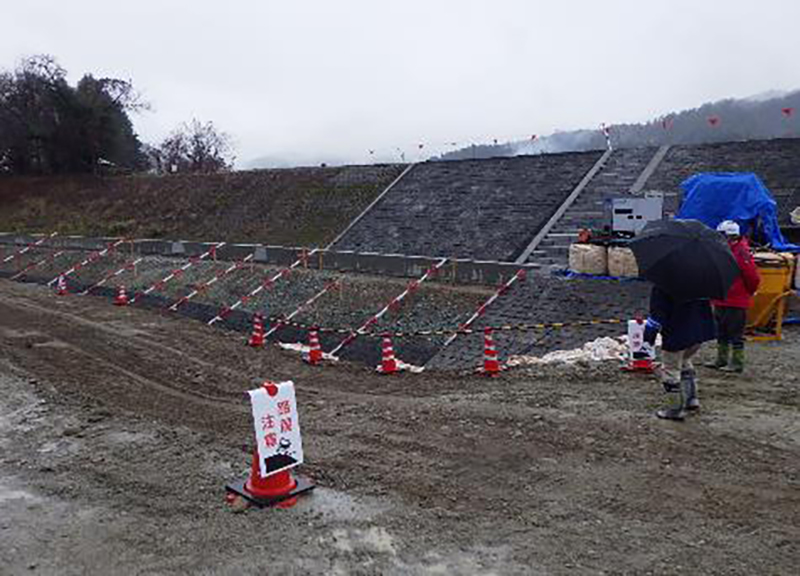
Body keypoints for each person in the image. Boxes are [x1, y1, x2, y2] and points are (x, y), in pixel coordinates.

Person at [640, 286, 716, 420]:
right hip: (698, 334)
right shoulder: (700, 282)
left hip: (676, 335)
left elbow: (657, 315)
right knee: (685, 362)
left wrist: (648, 338)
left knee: (671, 370)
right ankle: (691, 399)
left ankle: (674, 409)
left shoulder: (662, 287)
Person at [706, 220, 761, 373]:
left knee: (735, 333)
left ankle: (737, 363)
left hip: (735, 300)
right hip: (721, 298)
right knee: (721, 331)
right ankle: (721, 359)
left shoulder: (741, 251)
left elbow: (752, 276)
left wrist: (747, 293)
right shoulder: (725, 250)